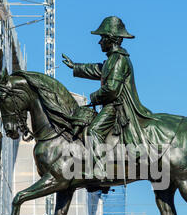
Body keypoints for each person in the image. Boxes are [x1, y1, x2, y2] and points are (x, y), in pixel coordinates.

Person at [62, 16, 154, 177]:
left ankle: (101, 170)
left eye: (102, 38)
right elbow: (99, 69)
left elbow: (112, 89)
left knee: (93, 132)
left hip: (118, 107)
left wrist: (94, 96)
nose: (99, 42)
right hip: (113, 105)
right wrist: (75, 66)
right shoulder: (112, 59)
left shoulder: (119, 60)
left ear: (110, 39)